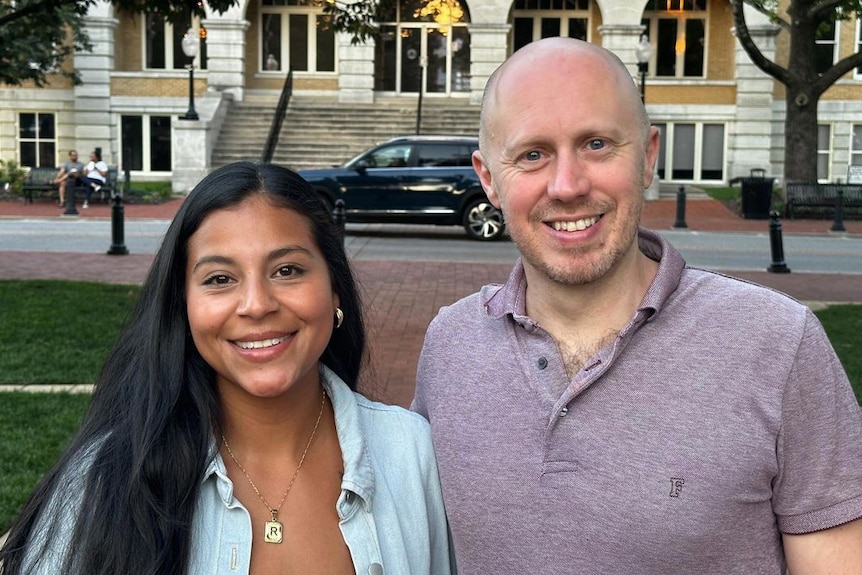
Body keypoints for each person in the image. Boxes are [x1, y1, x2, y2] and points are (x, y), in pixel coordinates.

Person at [412, 37, 862, 574]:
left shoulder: (779, 343)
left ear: (648, 156)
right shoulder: (451, 343)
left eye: (597, 144)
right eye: (532, 155)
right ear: (489, 179)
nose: (568, 185)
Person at [0, 162, 453, 575]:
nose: (256, 305)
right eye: (220, 279)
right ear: (184, 306)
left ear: (334, 291)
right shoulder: (101, 481)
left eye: (288, 269)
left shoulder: (413, 455)